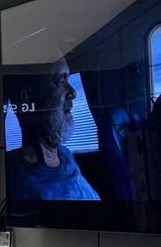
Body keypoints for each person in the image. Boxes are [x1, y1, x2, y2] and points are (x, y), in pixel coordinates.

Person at [5, 59, 100, 201]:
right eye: (61, 81)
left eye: (68, 79)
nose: (73, 93)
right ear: (27, 99)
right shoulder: (19, 185)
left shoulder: (64, 154)